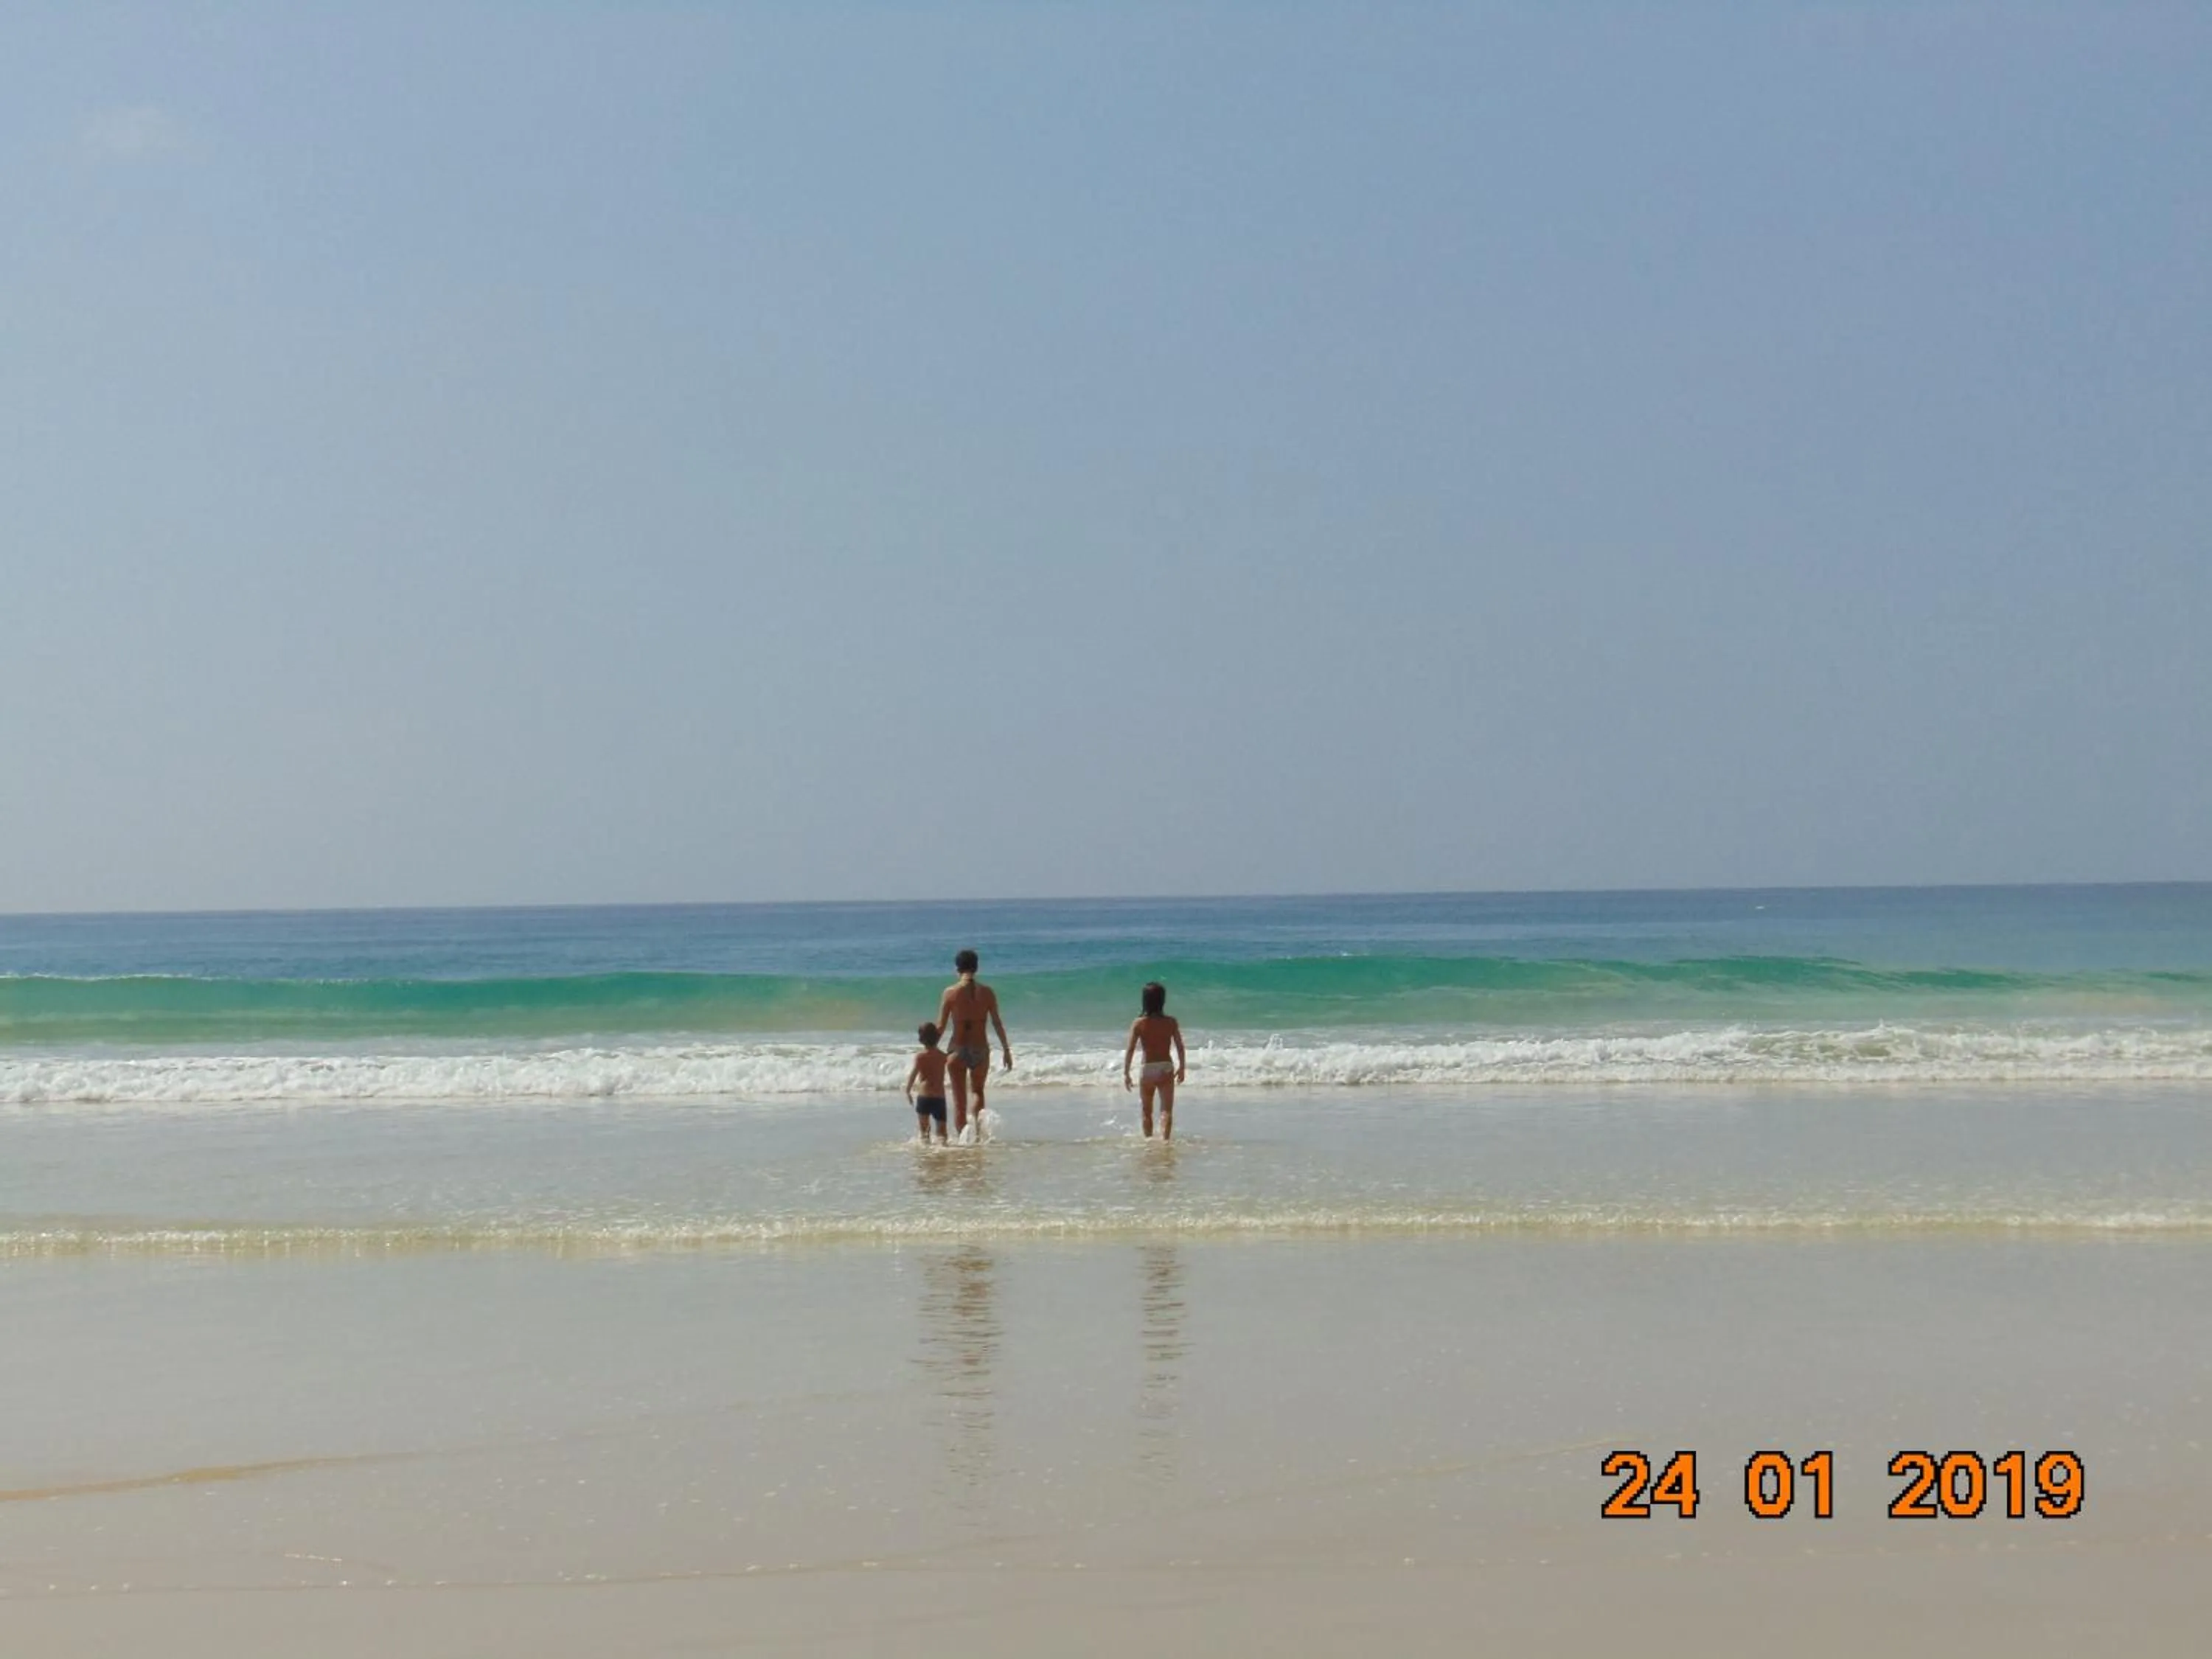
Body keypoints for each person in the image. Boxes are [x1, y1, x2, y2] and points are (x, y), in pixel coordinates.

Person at [936, 948, 1012, 1138]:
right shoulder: (987, 993)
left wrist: (930, 1051)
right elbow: (997, 1022)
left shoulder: (950, 993)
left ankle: (963, 1141)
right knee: (978, 1092)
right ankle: (977, 1137)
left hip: (957, 1050)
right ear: (976, 968)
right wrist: (1006, 1049)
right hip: (980, 1049)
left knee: (959, 1100)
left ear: (957, 968)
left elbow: (941, 1026)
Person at [1122, 981, 1186, 1140]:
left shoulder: (1139, 1023)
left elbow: (1130, 1049)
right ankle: (1165, 1142)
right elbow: (1180, 1046)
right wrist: (1182, 1067)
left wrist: (1126, 1073)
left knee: (1146, 1111)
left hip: (1147, 1069)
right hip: (1165, 1067)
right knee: (1166, 1111)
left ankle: (1149, 1143)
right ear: (1162, 1001)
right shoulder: (1171, 1022)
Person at [905, 1022, 951, 1145]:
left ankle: (926, 1155)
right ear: (937, 1037)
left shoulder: (920, 1057)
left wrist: (908, 1091)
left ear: (921, 1039)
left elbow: (913, 1075)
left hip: (924, 1097)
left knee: (924, 1132)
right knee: (942, 1133)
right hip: (939, 1097)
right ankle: (941, 1153)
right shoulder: (943, 1057)